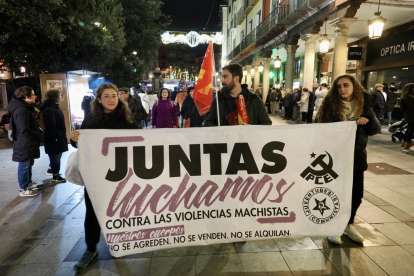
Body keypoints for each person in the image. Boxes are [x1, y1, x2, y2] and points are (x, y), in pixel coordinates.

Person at [70, 83, 138, 272]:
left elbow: (141, 142)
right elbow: (82, 146)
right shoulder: (91, 119)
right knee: (92, 212)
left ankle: (119, 244)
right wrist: (74, 139)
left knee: (120, 210)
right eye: (106, 96)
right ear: (99, 99)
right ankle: (90, 248)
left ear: (119, 98)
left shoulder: (127, 118)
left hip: (121, 175)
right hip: (95, 175)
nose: (110, 99)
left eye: (114, 96)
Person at [316, 74, 381, 245]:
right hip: (334, 158)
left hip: (356, 157)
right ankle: (333, 226)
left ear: (354, 87)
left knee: (356, 193)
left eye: (346, 85)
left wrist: (368, 121)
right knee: (335, 193)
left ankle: (348, 223)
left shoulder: (364, 105)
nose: (342, 89)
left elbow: (375, 129)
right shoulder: (330, 107)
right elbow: (319, 129)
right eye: (338, 86)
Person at [205, 64, 271, 126]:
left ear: (236, 78)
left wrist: (251, 129)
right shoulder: (219, 99)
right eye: (222, 77)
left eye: (225, 77)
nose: (222, 81)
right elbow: (208, 122)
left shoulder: (254, 99)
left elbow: (266, 123)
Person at [8, 86, 43, 196]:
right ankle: (23, 189)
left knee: (28, 163)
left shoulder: (24, 107)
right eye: (33, 94)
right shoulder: (22, 109)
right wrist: (36, 133)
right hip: (25, 142)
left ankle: (28, 183)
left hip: (27, 141)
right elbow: (24, 128)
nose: (35, 96)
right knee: (24, 165)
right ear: (26, 97)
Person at [39, 89, 68, 183]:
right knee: (55, 156)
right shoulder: (50, 109)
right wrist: (58, 136)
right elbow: (51, 125)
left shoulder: (53, 107)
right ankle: (55, 175)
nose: (61, 97)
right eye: (59, 96)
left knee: (56, 156)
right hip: (53, 138)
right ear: (55, 98)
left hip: (56, 137)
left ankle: (52, 170)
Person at [401, 83, 414, 153]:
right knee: (411, 130)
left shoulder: (406, 96)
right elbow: (412, 108)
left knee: (409, 129)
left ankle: (405, 143)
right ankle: (407, 144)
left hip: (409, 116)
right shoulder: (409, 97)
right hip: (412, 116)